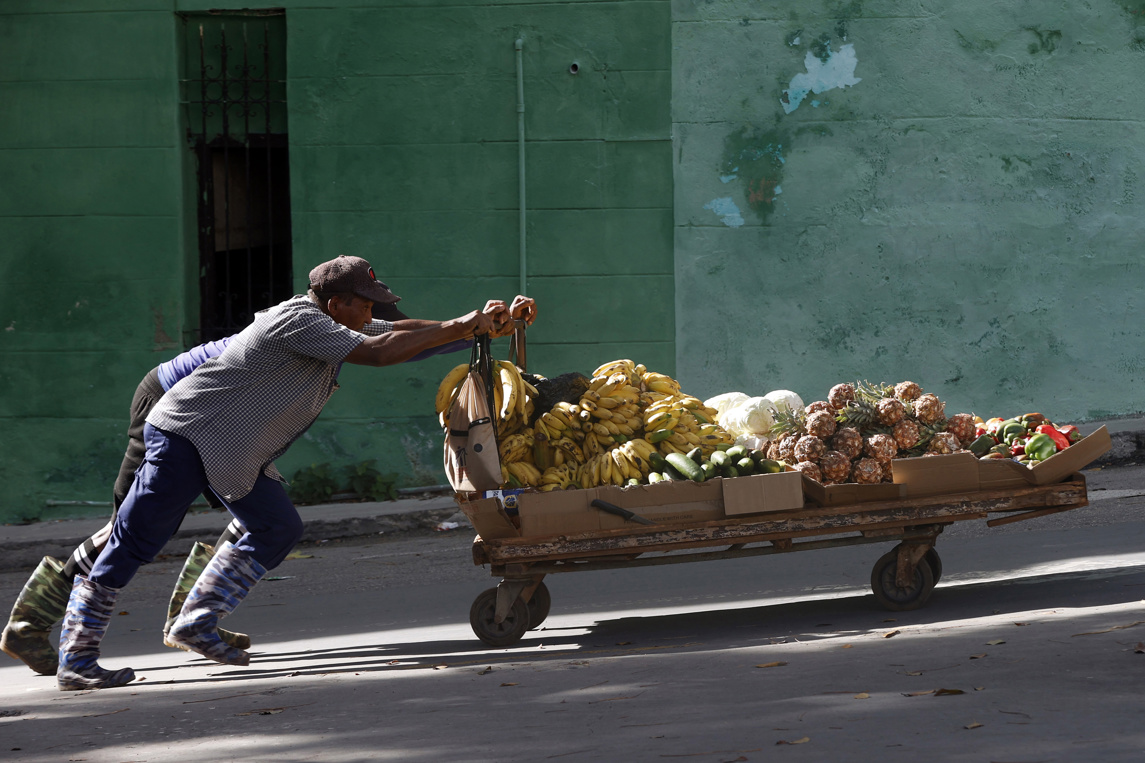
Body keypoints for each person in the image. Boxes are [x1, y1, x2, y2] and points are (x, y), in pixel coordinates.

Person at [2, 274, 537, 677]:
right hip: (186, 426)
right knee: (136, 534)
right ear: (335, 303)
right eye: (365, 301)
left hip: (236, 440)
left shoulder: (334, 320)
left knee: (275, 526)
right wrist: (461, 326)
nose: (374, 310)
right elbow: (380, 351)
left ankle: (194, 621)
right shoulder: (301, 321)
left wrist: (478, 325)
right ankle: (72, 651)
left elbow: (399, 333)